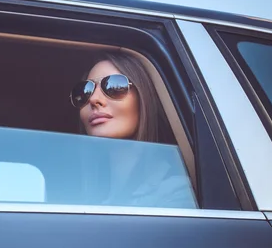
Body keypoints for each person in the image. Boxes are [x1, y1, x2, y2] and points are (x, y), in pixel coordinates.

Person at [69, 51, 197, 208]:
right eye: (85, 91)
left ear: (144, 96)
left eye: (114, 86)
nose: (94, 99)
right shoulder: (78, 189)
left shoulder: (174, 192)